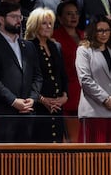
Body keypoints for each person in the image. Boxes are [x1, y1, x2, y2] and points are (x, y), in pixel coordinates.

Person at [0, 2, 43, 143]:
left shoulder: (28, 46)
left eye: (20, 17)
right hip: (3, 113)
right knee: (4, 160)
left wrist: (32, 99)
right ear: (1, 20)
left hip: (28, 111)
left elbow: (38, 76)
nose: (18, 21)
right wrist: (14, 101)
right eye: (14, 17)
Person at [75, 15, 111, 143]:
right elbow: (85, 79)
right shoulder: (84, 50)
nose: (104, 34)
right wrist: (105, 99)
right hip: (94, 112)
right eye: (100, 30)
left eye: (107, 30)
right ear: (93, 31)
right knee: (95, 159)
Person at [24, 7, 68, 143]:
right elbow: (27, 79)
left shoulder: (56, 46)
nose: (48, 26)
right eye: (44, 23)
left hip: (57, 106)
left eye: (50, 23)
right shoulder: (28, 46)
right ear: (35, 25)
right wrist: (42, 99)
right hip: (38, 107)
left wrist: (64, 97)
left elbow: (62, 75)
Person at [52, 0, 84, 116]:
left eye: (76, 13)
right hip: (66, 91)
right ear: (60, 18)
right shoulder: (54, 37)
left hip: (87, 91)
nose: (74, 16)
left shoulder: (85, 35)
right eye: (69, 14)